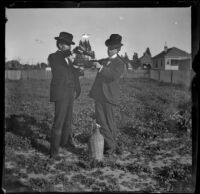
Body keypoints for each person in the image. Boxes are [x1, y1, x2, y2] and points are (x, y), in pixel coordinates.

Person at [89, 34, 126, 157]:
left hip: (110, 96)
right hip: (99, 96)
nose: (109, 50)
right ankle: (111, 146)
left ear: (118, 49)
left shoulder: (120, 63)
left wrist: (100, 68)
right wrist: (91, 59)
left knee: (109, 123)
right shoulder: (104, 61)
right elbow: (93, 63)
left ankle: (111, 147)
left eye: (112, 48)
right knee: (100, 121)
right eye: (108, 47)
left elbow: (112, 76)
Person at [48, 32, 81, 160]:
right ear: (60, 45)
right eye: (67, 45)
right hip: (60, 92)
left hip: (70, 91)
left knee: (68, 120)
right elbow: (61, 59)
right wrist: (73, 54)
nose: (69, 47)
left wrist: (77, 65)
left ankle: (64, 142)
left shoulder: (70, 58)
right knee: (59, 122)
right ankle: (54, 152)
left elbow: (77, 73)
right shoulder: (53, 57)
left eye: (70, 45)